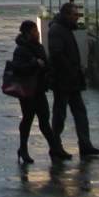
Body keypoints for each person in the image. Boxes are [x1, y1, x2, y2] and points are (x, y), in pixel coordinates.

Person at [47, 2, 99, 158]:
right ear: (67, 15)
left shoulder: (64, 28)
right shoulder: (57, 30)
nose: (77, 18)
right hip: (63, 80)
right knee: (60, 115)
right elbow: (57, 54)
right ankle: (56, 146)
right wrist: (71, 70)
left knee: (79, 113)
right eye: (75, 15)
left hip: (71, 80)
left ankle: (85, 145)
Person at [10, 19, 69, 164]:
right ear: (28, 33)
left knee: (44, 120)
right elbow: (17, 68)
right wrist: (34, 63)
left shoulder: (38, 47)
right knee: (28, 119)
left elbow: (46, 64)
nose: (37, 33)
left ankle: (54, 148)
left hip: (39, 89)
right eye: (35, 31)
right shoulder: (21, 50)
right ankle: (24, 149)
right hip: (27, 91)